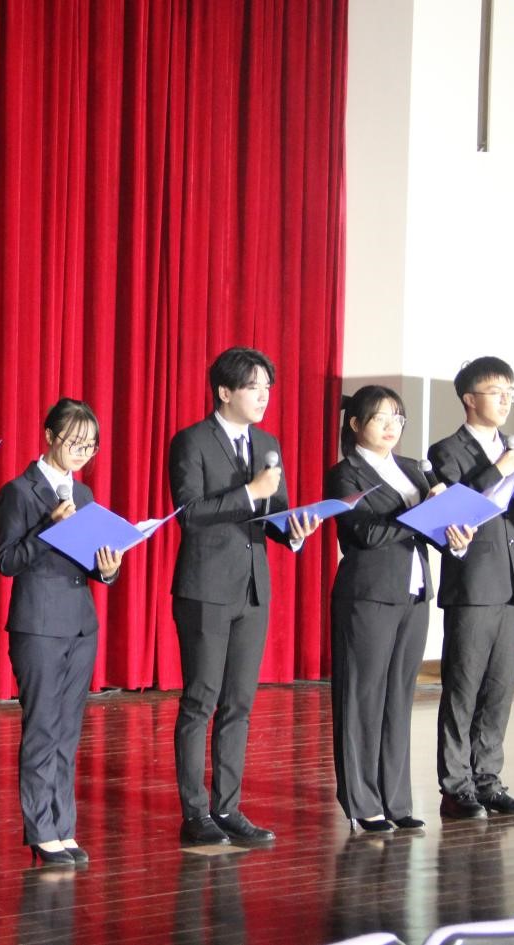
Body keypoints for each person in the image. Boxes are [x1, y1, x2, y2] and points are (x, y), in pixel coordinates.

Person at [168, 346, 320, 846]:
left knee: (239, 703)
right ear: (224, 391)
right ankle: (195, 813)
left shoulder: (268, 443)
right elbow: (189, 513)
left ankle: (228, 807)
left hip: (254, 588)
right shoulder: (191, 441)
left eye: (267, 388)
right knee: (201, 700)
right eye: (254, 387)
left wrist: (293, 530)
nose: (263, 396)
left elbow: (274, 514)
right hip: (206, 588)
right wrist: (251, 492)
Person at [326, 385, 474, 833]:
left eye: (398, 418)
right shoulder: (344, 473)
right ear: (356, 425)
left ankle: (397, 800)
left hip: (414, 593)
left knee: (398, 699)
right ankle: (362, 802)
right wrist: (420, 514)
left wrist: (454, 535)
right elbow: (366, 534)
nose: (392, 427)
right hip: (367, 595)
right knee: (361, 698)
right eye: (381, 418)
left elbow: (430, 529)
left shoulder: (412, 469)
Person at [429, 356, 514, 820]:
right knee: (462, 688)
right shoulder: (446, 451)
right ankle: (456, 788)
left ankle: (488, 781)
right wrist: (497, 468)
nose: (506, 400)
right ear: (470, 399)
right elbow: (453, 509)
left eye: (511, 392)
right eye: (496, 392)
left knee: (498, 690)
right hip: (472, 583)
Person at [0, 398, 123, 866]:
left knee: (68, 732)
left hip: (81, 624)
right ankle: (40, 830)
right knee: (43, 727)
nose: (82, 453)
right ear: (49, 437)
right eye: (74, 443)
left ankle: (64, 826)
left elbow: (88, 560)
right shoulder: (19, 491)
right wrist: (49, 528)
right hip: (38, 626)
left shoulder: (84, 495)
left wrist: (107, 568)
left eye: (90, 447)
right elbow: (6, 560)